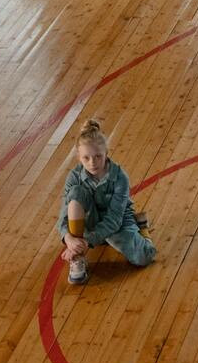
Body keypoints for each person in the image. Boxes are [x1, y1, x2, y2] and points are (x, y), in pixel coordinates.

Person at [56, 118, 155, 285]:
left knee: (144, 257)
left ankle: (142, 228)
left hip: (116, 223)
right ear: (78, 157)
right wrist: (68, 239)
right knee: (76, 193)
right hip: (90, 222)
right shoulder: (74, 177)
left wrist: (87, 241)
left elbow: (114, 220)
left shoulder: (120, 177)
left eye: (98, 156)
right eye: (86, 158)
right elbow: (63, 216)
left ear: (106, 153)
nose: (92, 163)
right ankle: (77, 258)